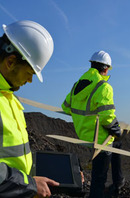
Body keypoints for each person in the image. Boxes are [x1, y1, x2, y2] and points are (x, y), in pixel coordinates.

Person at [0, 20, 59, 197]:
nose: (30, 81)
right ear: (11, 61)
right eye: (30, 73)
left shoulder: (9, 97)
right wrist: (30, 184)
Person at [61, 50, 122, 198]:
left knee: (117, 147)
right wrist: (116, 129)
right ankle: (113, 188)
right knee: (98, 179)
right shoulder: (103, 87)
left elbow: (65, 107)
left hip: (83, 134)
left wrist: (83, 115)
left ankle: (118, 184)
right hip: (99, 139)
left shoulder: (78, 84)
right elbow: (107, 117)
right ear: (106, 69)